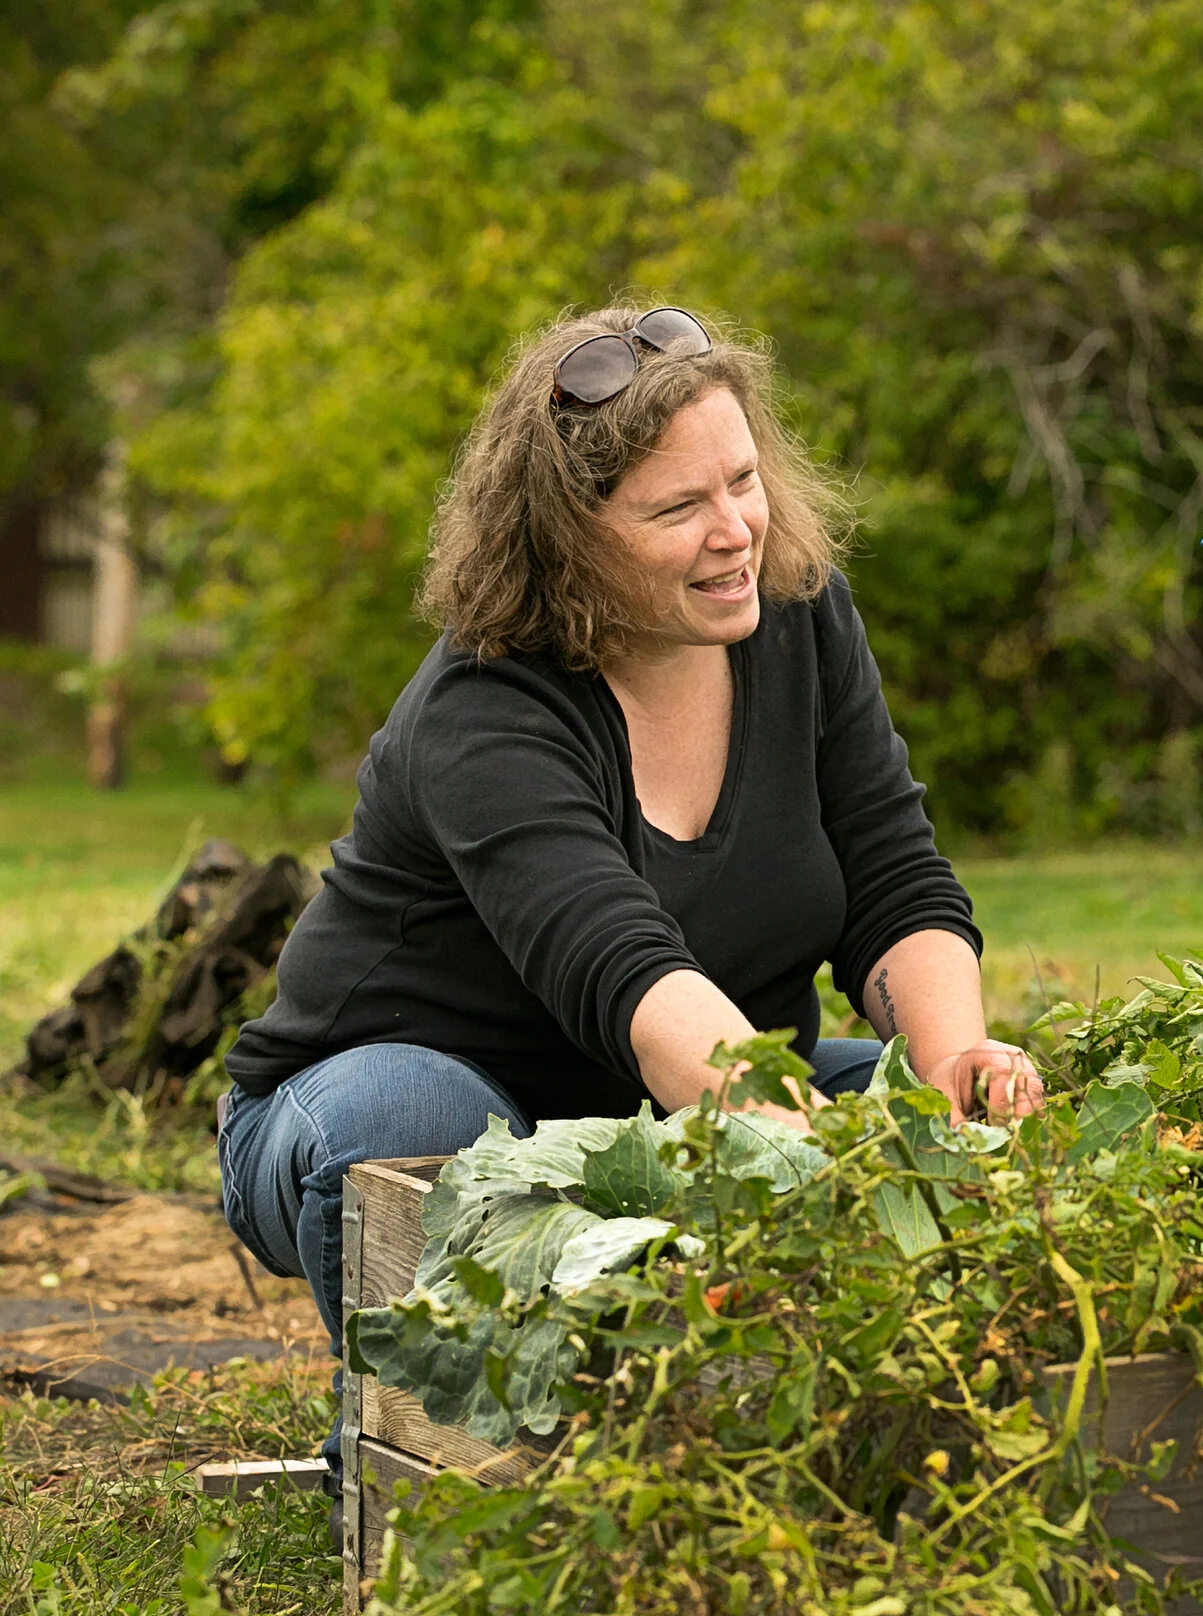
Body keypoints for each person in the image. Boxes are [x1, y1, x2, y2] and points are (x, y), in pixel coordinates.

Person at [219, 304, 1043, 1500]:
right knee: (410, 1108)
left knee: (957, 1107)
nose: (734, 533)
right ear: (567, 540)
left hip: (670, 1111)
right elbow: (620, 962)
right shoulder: (485, 706)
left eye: (745, 482)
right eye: (677, 510)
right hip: (401, 1112)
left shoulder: (798, 620)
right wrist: (790, 1141)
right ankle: (446, 1458)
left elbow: (892, 870)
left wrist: (955, 1060)